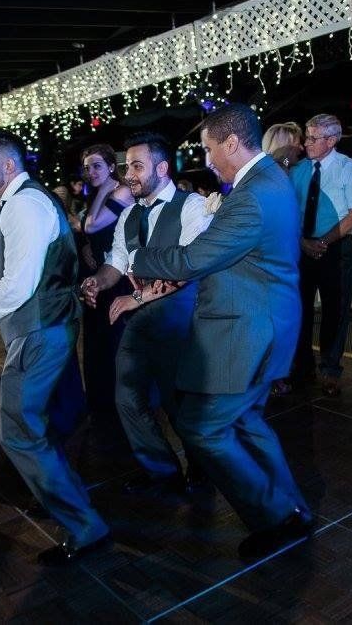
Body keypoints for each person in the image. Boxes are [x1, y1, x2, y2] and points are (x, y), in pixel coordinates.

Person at [130, 103, 312, 562]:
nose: (208, 161)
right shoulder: (267, 180)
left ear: (231, 143)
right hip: (260, 321)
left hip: (249, 329)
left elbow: (194, 258)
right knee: (246, 421)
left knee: (201, 428)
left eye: (210, 150)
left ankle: (276, 518)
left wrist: (138, 261)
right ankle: (292, 507)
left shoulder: (251, 195)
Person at [0, 130, 108, 566]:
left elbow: (17, 287)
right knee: (37, 427)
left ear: (8, 166)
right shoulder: (21, 201)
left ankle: (84, 524)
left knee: (17, 433)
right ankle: (71, 506)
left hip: (41, 333)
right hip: (41, 328)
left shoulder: (25, 205)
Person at [81, 132, 211, 493]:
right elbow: (117, 264)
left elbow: (188, 269)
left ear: (163, 168)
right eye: (127, 167)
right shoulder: (128, 216)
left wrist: (136, 300)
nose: (129, 175)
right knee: (126, 396)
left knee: (177, 403)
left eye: (137, 166)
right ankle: (162, 471)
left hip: (178, 317)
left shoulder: (192, 207)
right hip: (139, 318)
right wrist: (98, 282)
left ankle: (200, 468)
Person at [289, 114, 352, 397]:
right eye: (306, 136)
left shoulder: (351, 169)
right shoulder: (298, 170)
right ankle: (302, 368)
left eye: (313, 138)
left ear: (332, 140)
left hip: (335, 249)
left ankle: (330, 370)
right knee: (299, 310)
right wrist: (301, 242)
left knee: (335, 311)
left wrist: (322, 241)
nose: (306, 143)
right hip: (301, 248)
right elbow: (289, 211)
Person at [77, 143, 135, 448]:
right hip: (99, 274)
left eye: (97, 165)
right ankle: (101, 405)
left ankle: (122, 406)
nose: (91, 172)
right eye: (87, 168)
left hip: (119, 277)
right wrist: (88, 248)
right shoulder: (102, 193)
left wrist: (102, 190)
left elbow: (92, 224)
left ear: (112, 166)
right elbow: (91, 234)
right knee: (97, 341)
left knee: (115, 342)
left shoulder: (121, 192)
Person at [262, 121, 305, 397]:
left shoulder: (289, 173)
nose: (301, 147)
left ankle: (279, 372)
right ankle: (273, 375)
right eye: (296, 142)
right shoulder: (270, 177)